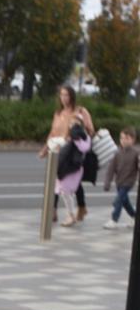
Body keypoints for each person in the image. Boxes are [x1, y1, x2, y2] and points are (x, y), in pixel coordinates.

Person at [39, 85, 95, 222]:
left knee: (70, 181)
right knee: (57, 179)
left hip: (72, 152)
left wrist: (75, 137)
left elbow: (90, 130)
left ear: (72, 96)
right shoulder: (58, 113)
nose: (64, 98)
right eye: (62, 95)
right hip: (58, 151)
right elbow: (53, 133)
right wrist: (45, 149)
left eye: (67, 95)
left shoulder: (80, 111)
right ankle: (54, 211)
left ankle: (79, 208)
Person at [55, 118, 91, 227]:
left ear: (81, 125)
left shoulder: (83, 137)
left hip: (74, 169)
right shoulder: (69, 137)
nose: (72, 125)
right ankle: (75, 213)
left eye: (76, 124)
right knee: (64, 192)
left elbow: (84, 148)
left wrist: (77, 139)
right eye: (71, 123)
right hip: (65, 168)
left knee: (66, 192)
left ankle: (71, 215)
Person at [102, 126, 139, 229]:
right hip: (119, 182)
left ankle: (114, 220)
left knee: (118, 200)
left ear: (133, 139)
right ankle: (134, 216)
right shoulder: (117, 153)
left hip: (128, 182)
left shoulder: (136, 153)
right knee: (125, 202)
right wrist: (107, 183)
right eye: (122, 138)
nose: (123, 141)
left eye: (126, 138)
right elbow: (111, 169)